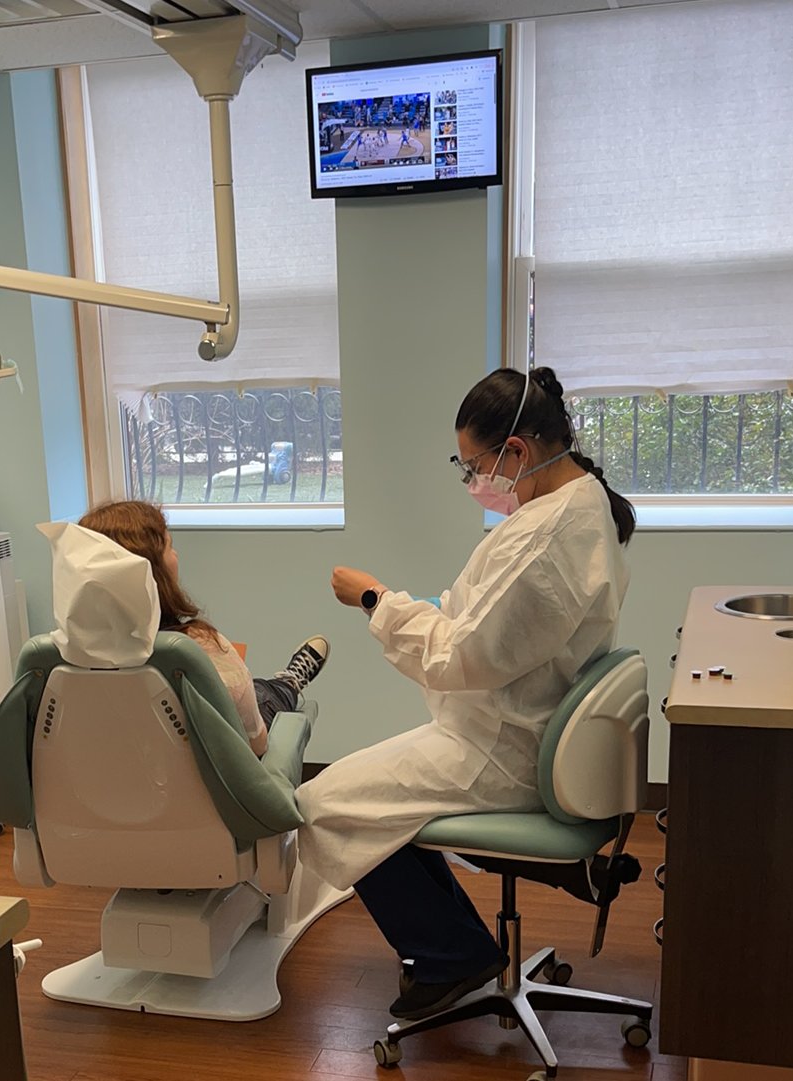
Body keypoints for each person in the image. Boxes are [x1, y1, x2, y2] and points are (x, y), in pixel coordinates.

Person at [295, 365, 635, 1021]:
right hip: (513, 723)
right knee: (366, 801)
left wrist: (375, 600)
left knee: (324, 805)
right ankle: (461, 946)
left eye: (474, 466)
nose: (474, 480)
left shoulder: (546, 537)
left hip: (500, 746)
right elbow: (480, 618)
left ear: (517, 451)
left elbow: (457, 659)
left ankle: (451, 956)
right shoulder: (577, 501)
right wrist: (423, 608)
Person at [79, 500, 330, 757]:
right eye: (170, 546)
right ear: (152, 571)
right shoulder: (196, 649)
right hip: (201, 776)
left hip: (112, 775)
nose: (176, 555)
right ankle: (289, 683)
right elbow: (256, 744)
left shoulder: (65, 658)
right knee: (264, 695)